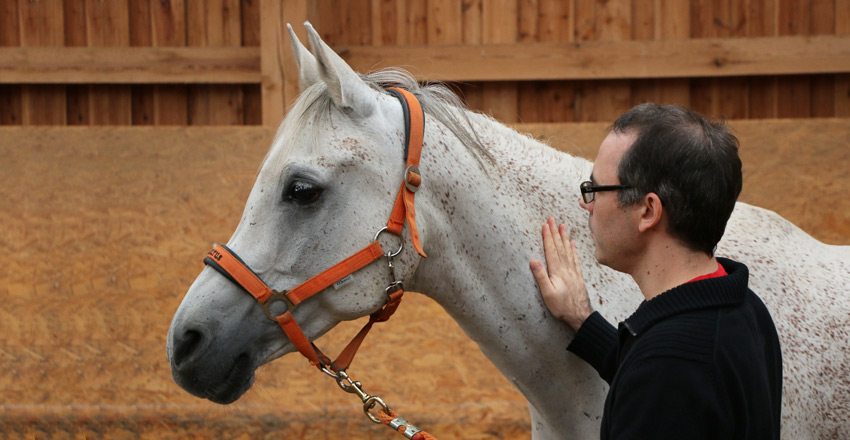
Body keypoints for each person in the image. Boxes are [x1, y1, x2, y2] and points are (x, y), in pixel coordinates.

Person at [529, 103, 782, 439]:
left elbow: (663, 379)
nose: (586, 204)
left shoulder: (670, 365)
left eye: (596, 189)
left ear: (648, 210)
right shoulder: (745, 309)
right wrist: (582, 319)